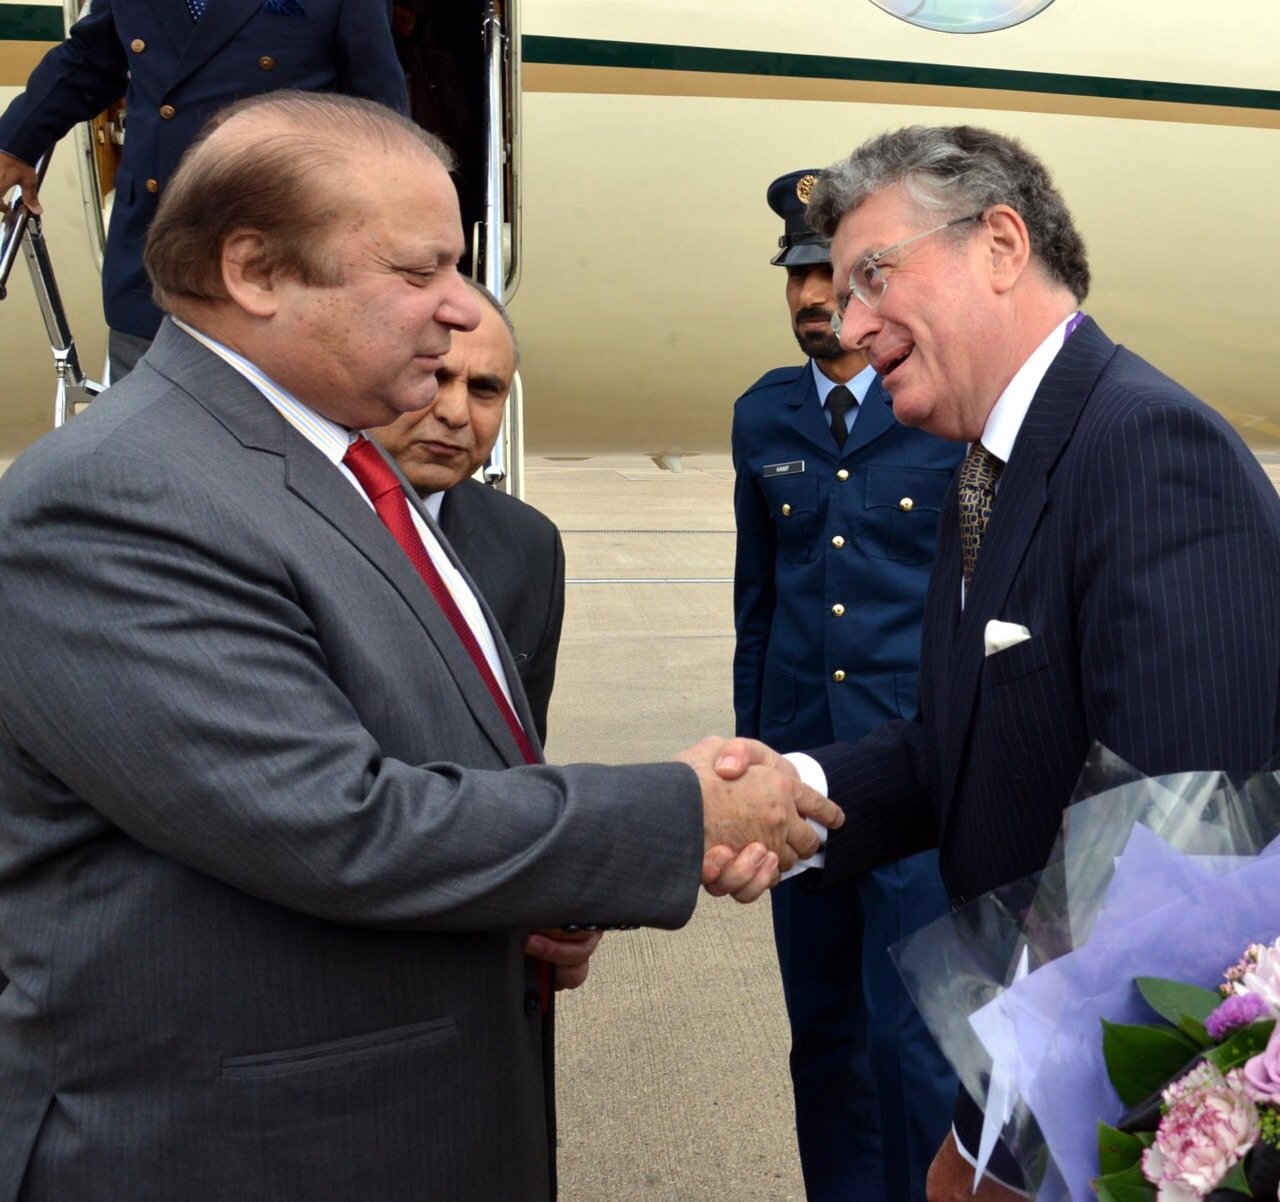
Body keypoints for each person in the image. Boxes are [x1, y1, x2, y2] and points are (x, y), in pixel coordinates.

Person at [0, 92, 843, 1202]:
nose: (458, 312)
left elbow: (436, 762)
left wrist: (531, 893)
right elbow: (333, 821)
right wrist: (679, 812)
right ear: (253, 270)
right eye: (421, 272)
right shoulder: (120, 497)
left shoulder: (339, 472)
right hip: (236, 1153)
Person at [755, 124, 1280, 1201]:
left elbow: (1179, 861)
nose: (848, 323)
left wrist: (1002, 1137)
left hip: (1117, 1113)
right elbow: (966, 746)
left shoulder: (1145, 450)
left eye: (872, 276)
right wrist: (789, 792)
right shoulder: (989, 463)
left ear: (999, 242)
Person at [732, 168, 962, 1202]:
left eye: (833, 273)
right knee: (820, 1026)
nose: (812, 296)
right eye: (797, 274)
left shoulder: (937, 409)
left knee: (910, 1029)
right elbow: (759, 605)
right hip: (799, 773)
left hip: (909, 775)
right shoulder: (762, 416)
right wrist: (750, 758)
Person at [0, 0, 407, 380]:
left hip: (278, 259)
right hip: (150, 256)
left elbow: (376, 108)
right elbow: (92, 59)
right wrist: (14, 142)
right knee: (140, 434)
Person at [370, 281, 564, 746]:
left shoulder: (528, 544)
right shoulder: (277, 524)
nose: (456, 413)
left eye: (484, 390)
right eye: (434, 377)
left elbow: (521, 759)